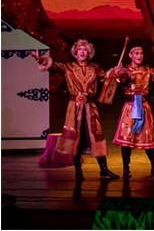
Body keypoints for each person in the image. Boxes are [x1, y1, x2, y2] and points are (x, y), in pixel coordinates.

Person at [32, 39, 119, 180]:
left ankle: (104, 169)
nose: (82, 52)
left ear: (89, 53)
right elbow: (52, 65)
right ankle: (78, 171)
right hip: (75, 108)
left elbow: (107, 78)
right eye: (80, 50)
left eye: (85, 50)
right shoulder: (68, 67)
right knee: (76, 138)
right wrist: (40, 59)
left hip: (90, 107)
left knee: (96, 136)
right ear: (75, 52)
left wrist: (115, 73)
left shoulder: (95, 68)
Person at [111, 46, 154, 179]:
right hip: (130, 107)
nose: (139, 56)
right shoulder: (126, 71)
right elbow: (122, 79)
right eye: (136, 53)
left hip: (143, 106)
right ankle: (126, 168)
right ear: (130, 55)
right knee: (127, 138)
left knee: (148, 136)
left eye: (141, 53)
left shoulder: (147, 70)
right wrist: (118, 73)